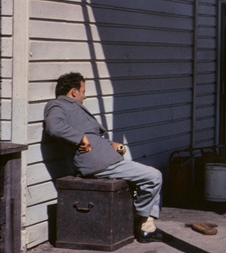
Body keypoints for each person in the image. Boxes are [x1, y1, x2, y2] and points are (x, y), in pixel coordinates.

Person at [44, 72, 164, 243]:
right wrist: (80, 137)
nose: (85, 95)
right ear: (73, 92)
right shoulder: (57, 105)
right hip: (97, 163)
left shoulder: (72, 107)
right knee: (154, 176)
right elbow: (53, 126)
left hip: (105, 156)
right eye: (83, 91)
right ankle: (144, 222)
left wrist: (110, 145)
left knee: (137, 165)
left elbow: (92, 136)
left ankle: (146, 222)